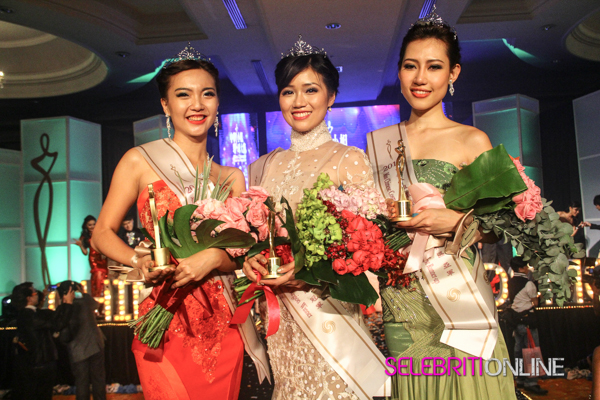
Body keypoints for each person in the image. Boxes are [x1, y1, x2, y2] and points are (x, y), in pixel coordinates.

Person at [366, 8, 517, 399]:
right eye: (410, 66)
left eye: (434, 67)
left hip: (455, 292)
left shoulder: (472, 140)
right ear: (399, 72)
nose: (420, 78)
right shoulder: (380, 144)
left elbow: (500, 226)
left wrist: (454, 222)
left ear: (453, 73)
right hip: (401, 296)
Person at [92, 44, 251, 400]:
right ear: (165, 105)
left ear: (217, 103)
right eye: (183, 95)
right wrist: (138, 261)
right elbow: (102, 233)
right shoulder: (139, 161)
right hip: (166, 319)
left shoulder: (232, 178)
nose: (197, 104)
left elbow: (240, 256)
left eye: (207, 94)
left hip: (223, 325)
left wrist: (213, 257)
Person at [243, 36, 388, 400]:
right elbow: (256, 236)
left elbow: (369, 242)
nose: (299, 101)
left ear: (331, 96)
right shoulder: (266, 166)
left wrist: (308, 265)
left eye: (311, 90)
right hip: (281, 317)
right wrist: (250, 260)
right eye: (288, 92)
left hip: (328, 314)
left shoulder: (348, 159)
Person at [11, 282, 74, 400]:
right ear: (28, 298)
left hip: (38, 362)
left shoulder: (29, 314)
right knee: (41, 394)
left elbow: (53, 317)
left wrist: (64, 304)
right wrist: (68, 304)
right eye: (35, 292)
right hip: (40, 363)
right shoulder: (29, 315)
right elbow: (58, 324)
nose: (38, 294)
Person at [56, 281, 106, 400]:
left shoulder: (62, 309)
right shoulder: (86, 300)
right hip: (95, 344)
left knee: (81, 382)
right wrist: (82, 293)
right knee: (98, 379)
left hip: (77, 349)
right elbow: (97, 305)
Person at [507, 258, 547, 395]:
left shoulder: (511, 282)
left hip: (516, 320)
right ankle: (532, 382)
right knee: (531, 350)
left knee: (518, 351)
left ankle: (520, 379)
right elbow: (535, 303)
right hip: (527, 321)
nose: (527, 268)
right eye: (525, 266)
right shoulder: (528, 284)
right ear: (521, 269)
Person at [74, 215, 108, 298]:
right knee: (97, 275)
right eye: (90, 225)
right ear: (86, 225)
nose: (92, 226)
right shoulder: (84, 236)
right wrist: (80, 245)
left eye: (94, 224)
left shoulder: (100, 233)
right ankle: (97, 295)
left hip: (102, 258)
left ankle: (102, 296)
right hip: (93, 259)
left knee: (104, 276)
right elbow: (85, 252)